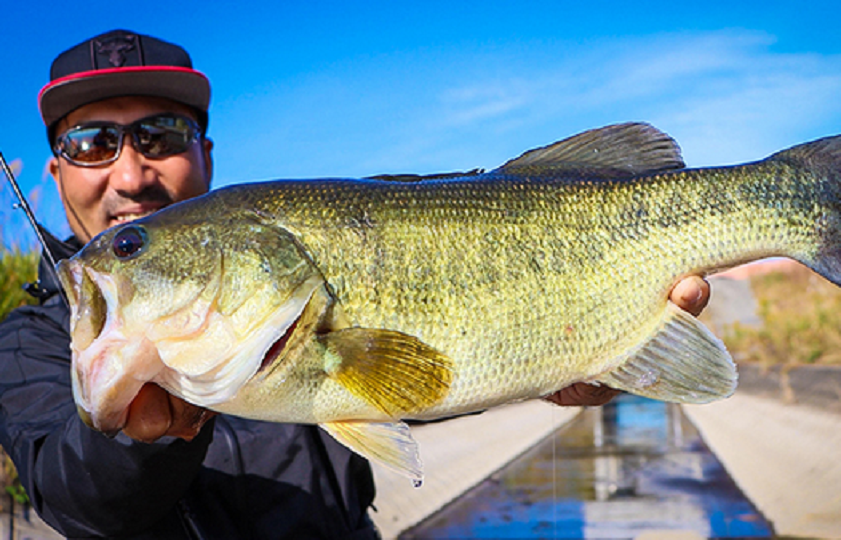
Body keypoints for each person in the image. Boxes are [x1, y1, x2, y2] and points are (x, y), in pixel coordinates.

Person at [0, 30, 710, 539]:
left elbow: (415, 378)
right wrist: (142, 440)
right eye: (91, 143)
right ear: (56, 170)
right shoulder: (29, 340)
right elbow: (78, 499)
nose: (129, 173)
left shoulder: (279, 296)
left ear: (203, 153)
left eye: (159, 135)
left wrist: (552, 361)